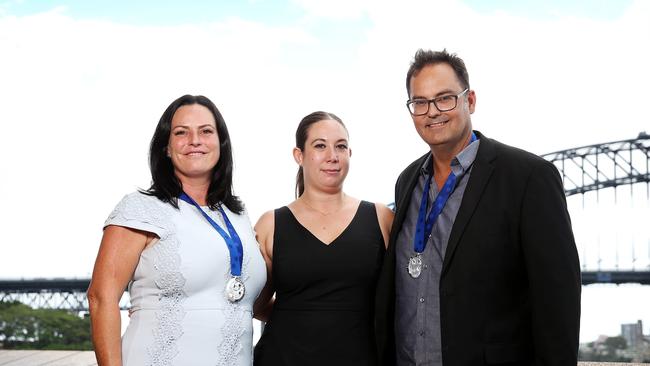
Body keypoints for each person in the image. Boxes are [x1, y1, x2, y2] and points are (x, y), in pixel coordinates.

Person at [374, 49, 581, 366]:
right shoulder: (407, 181)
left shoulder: (528, 177)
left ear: (470, 101)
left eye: (445, 98)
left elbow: (558, 301)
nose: (432, 112)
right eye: (420, 102)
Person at [87, 95, 266, 366]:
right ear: (166, 148)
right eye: (181, 132)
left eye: (206, 131)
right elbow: (101, 298)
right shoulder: (139, 209)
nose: (195, 140)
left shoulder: (239, 216)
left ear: (221, 144)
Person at [252, 111, 394, 366]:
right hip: (283, 356)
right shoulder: (269, 224)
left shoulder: (381, 218)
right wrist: (303, 316)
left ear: (350, 153)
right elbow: (255, 304)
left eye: (341, 146)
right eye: (320, 146)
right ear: (299, 155)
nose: (332, 156)